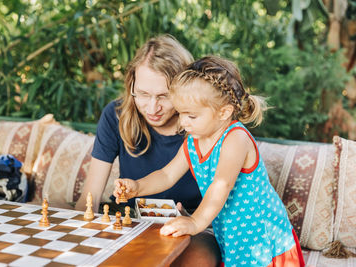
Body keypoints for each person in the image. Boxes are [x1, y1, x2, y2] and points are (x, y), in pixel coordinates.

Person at [113, 56, 306, 267]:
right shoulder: (192, 142)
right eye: (180, 114)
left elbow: (221, 184)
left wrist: (195, 222)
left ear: (224, 112)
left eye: (191, 116)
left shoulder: (236, 138)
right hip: (233, 238)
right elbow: (167, 175)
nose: (183, 122)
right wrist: (137, 186)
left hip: (262, 239)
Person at [75, 35, 221, 266]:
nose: (152, 108)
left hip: (194, 225)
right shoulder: (115, 116)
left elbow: (222, 197)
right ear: (131, 84)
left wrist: (192, 221)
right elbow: (89, 198)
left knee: (196, 260)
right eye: (143, 94)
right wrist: (75, 236)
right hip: (127, 220)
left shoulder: (201, 125)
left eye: (164, 96)